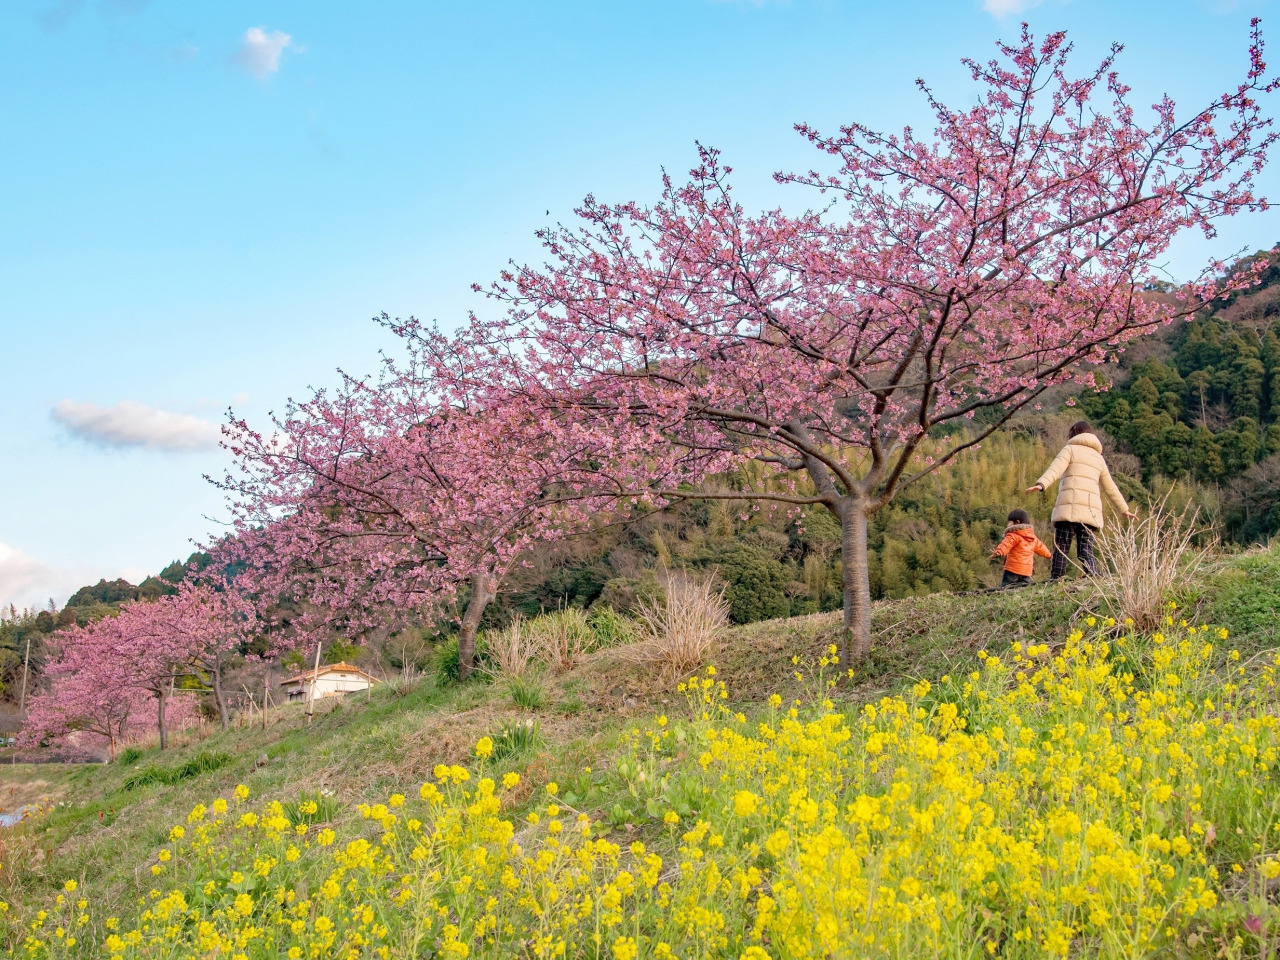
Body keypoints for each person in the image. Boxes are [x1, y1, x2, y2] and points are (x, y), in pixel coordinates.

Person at [1027, 420, 1137, 578]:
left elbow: (1055, 469)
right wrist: (1124, 510)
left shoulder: (1070, 449)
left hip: (1068, 510)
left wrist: (1041, 484)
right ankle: (1094, 578)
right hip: (1090, 514)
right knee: (1086, 551)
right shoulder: (1099, 459)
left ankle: (1056, 580)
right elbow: (1110, 487)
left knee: (1061, 549)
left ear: (1074, 433)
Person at [991, 508, 1053, 588]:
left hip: (1012, 569)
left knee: (1006, 589)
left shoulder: (1013, 535)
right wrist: (1050, 556)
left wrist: (999, 552)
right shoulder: (1033, 538)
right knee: (1025, 589)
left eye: (1010, 522)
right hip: (1026, 571)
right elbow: (1042, 548)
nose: (1008, 525)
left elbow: (1005, 545)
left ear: (1017, 522)